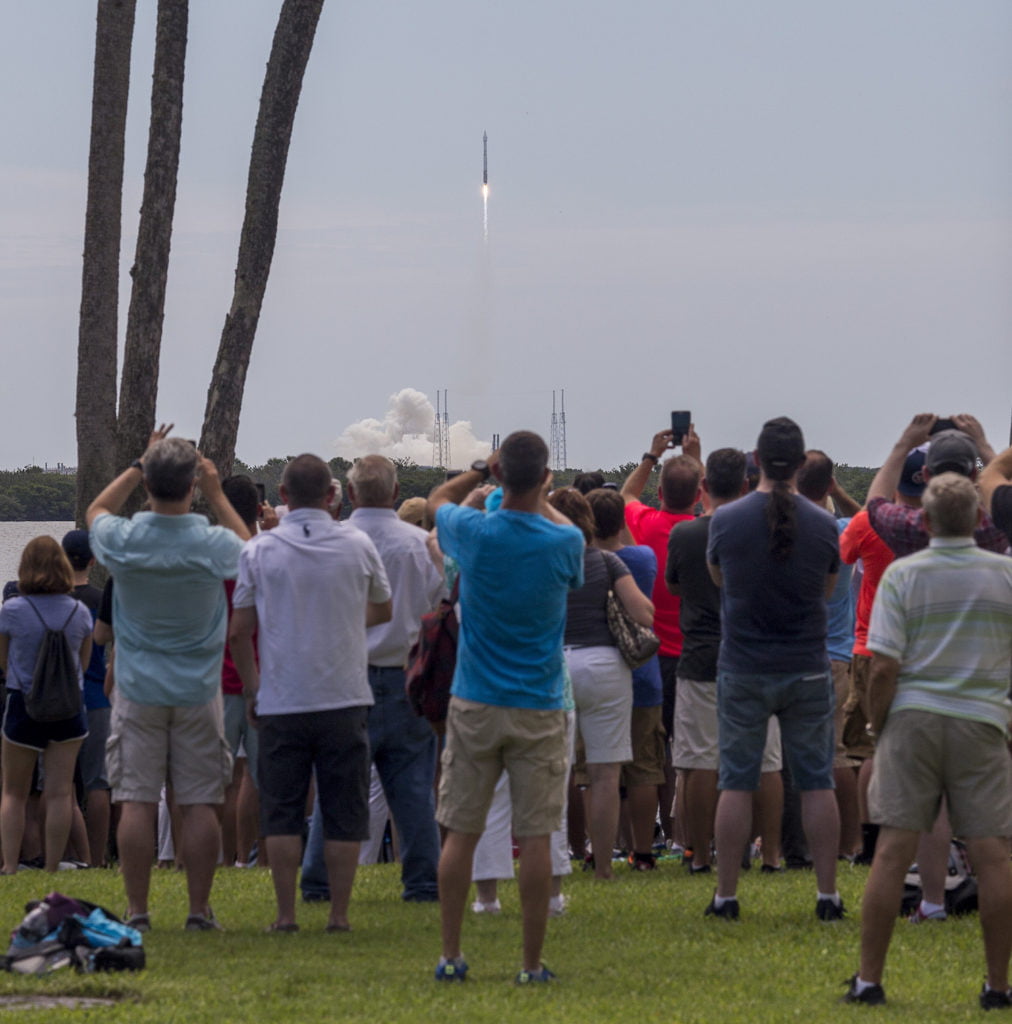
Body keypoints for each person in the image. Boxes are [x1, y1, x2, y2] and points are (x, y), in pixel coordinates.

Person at [844, 473, 1012, 1009]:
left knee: (892, 851)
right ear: (980, 520)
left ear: (926, 520)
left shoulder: (903, 575)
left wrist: (878, 721)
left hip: (914, 718)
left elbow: (885, 664)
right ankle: (996, 986)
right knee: (992, 855)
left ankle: (869, 981)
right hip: (982, 719)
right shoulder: (1005, 574)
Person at [427, 433, 584, 984]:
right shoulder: (562, 543)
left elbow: (437, 500)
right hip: (539, 701)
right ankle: (530, 963)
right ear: (545, 478)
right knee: (536, 835)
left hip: (474, 698)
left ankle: (450, 955)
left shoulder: (475, 533)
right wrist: (537, 494)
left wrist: (480, 476)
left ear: (499, 471)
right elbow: (572, 536)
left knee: (462, 830)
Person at [87, 428, 250, 931]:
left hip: (137, 688)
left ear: (150, 484)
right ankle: (198, 911)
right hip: (200, 690)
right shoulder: (211, 543)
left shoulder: (125, 539)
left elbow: (96, 510)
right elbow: (253, 549)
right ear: (192, 486)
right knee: (200, 800)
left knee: (135, 799)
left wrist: (138, 463)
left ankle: (138, 911)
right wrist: (218, 492)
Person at [229, 453, 392, 933]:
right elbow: (383, 610)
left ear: (280, 497)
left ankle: (285, 915)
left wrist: (253, 688)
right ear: (332, 496)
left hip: (282, 697)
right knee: (344, 811)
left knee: (280, 811)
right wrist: (342, 623)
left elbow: (240, 631)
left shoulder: (259, 551)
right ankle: (339, 915)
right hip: (344, 695)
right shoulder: (357, 543)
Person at [705, 417, 843, 922]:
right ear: (803, 463)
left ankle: (726, 895)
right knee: (816, 781)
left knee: (737, 781)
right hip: (806, 665)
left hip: (743, 665)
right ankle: (827, 895)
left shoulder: (725, 520)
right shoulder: (825, 524)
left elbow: (719, 579)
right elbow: (826, 592)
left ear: (756, 461)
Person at [299, 454, 443, 904]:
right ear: (396, 492)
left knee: (336, 787)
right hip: (405, 674)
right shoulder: (421, 544)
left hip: (346, 676)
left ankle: (319, 880)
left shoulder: (333, 541)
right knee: (415, 790)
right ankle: (422, 881)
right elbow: (441, 605)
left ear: (352, 493)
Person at [666, 448, 784, 875]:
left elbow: (675, 585)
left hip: (700, 653)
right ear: (746, 486)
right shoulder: (768, 531)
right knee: (766, 759)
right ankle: (769, 853)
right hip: (757, 654)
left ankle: (699, 851)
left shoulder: (685, 535)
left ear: (704, 488)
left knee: (699, 759)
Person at [547, 487, 654, 880]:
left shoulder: (542, 562)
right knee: (605, 773)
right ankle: (604, 866)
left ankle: (558, 858)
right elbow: (644, 613)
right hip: (605, 663)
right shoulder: (608, 561)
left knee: (553, 771)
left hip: (554, 663)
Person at [620, 427, 702, 841]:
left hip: (652, 657)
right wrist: (696, 459)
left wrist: (651, 456)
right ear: (699, 493)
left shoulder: (647, 524)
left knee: (652, 753)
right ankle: (683, 834)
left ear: (661, 494)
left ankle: (655, 838)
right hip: (694, 654)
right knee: (688, 753)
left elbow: (625, 498)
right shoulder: (706, 532)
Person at [0, 537, 93, 873]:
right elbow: (81, 665)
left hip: (24, 705)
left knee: (14, 792)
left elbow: (4, 661)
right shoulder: (79, 612)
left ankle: (11, 865)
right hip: (69, 710)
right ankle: (53, 864)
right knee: (59, 792)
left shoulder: (11, 610)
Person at [586, 486, 666, 871]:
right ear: (621, 523)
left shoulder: (581, 563)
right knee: (644, 768)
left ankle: (591, 848)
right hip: (642, 676)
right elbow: (632, 549)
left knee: (593, 770)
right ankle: (644, 852)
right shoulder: (642, 558)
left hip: (593, 674)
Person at [865, 413, 1006, 556]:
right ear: (974, 475)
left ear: (925, 474)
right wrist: (982, 444)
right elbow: (1007, 495)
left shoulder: (906, 527)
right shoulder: (994, 526)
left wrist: (903, 444)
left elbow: (874, 504)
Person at [61, 529, 111, 867]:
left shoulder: (52, 600)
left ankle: (65, 855)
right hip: (96, 696)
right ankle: (97, 857)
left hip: (60, 699)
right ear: (93, 560)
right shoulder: (99, 599)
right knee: (98, 784)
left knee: (60, 783)